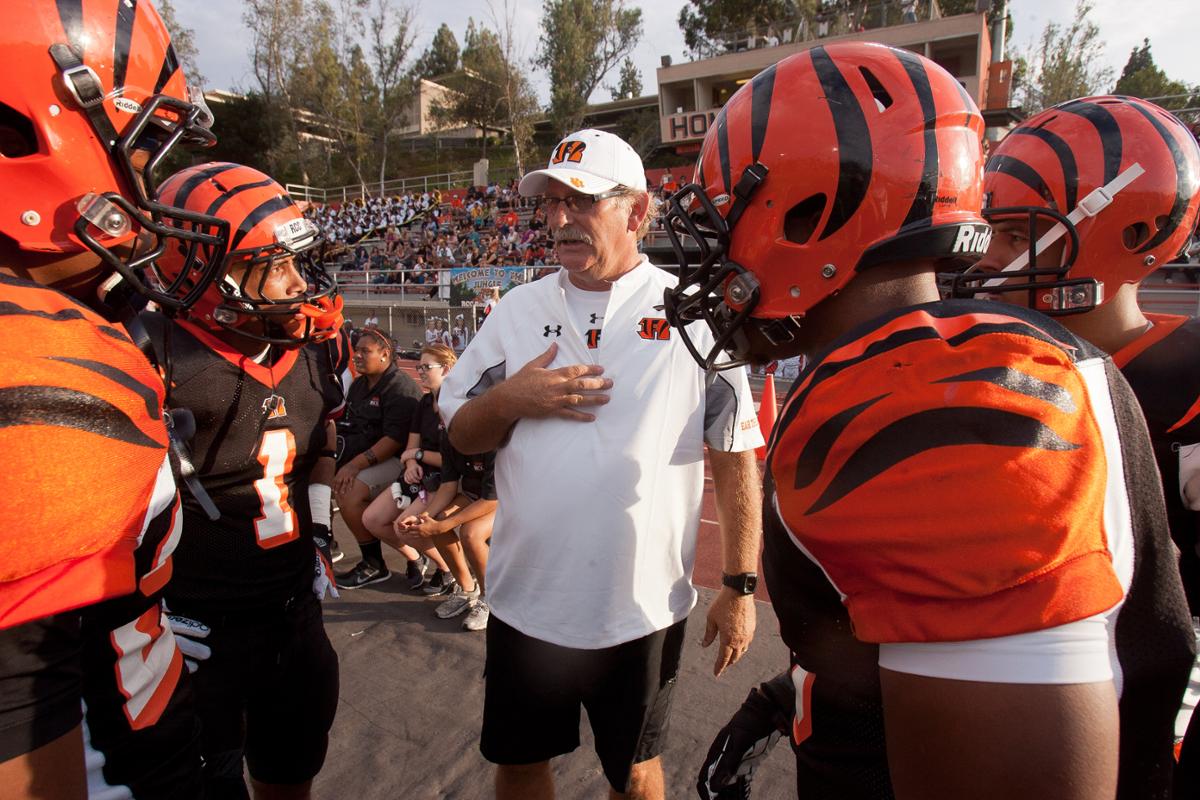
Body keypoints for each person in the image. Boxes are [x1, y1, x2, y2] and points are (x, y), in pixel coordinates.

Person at [672, 44, 1194, 800]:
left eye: (726, 219)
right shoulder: (921, 362)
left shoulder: (931, 397)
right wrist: (797, 695)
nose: (711, 254)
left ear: (812, 214)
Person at [439, 128, 764, 800]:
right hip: (527, 603)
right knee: (521, 765)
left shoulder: (695, 316)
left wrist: (738, 586)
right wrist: (509, 399)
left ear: (637, 213)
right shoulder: (516, 310)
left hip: (639, 610)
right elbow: (464, 433)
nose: (557, 220)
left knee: (637, 773)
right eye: (549, 204)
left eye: (580, 202)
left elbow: (736, 456)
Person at [0, 2, 225, 796]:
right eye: (140, 148)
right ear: (21, 133)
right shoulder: (34, 362)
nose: (146, 186)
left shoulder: (68, 323)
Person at [962, 94, 1200, 798]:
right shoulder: (1009, 363)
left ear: (1125, 229)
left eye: (1014, 234)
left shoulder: (1183, 386)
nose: (990, 261)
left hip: (1132, 733)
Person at [146, 162, 346, 799]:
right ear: (210, 273)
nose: (298, 283)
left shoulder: (312, 350)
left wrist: (316, 533)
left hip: (291, 614)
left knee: (290, 778)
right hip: (195, 626)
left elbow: (320, 449)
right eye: (275, 265)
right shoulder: (150, 355)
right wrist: (140, 607)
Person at [356, 344, 457, 592]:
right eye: (419, 366)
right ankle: (423, 560)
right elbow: (411, 446)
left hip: (444, 480)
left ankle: (451, 571)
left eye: (426, 367)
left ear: (446, 368)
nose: (421, 371)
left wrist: (418, 455)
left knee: (405, 527)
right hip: (418, 476)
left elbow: (453, 460)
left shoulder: (456, 406)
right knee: (372, 519)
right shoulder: (424, 403)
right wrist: (411, 462)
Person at [334, 327, 424, 589]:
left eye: (365, 351)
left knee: (349, 490)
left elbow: (393, 441)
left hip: (403, 460)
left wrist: (352, 465)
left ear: (385, 354)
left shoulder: (400, 388)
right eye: (356, 351)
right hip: (365, 455)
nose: (357, 356)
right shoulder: (360, 385)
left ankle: (373, 563)